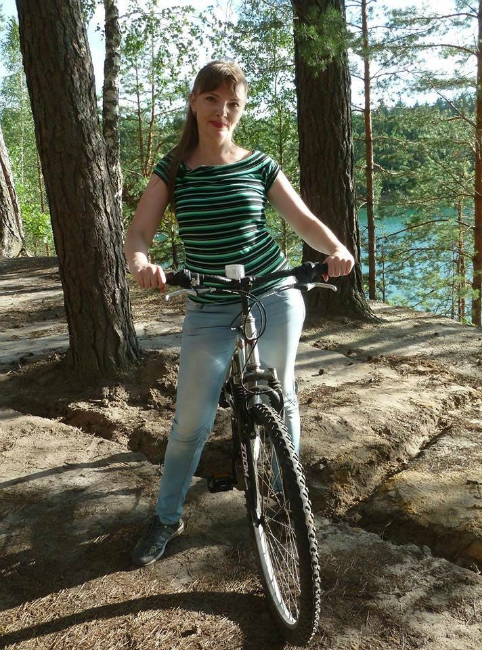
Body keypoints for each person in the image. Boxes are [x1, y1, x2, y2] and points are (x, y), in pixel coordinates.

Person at [124, 60, 354, 567]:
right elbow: (139, 232)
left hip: (273, 291)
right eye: (212, 99)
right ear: (194, 102)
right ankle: (166, 516)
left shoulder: (259, 165)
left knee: (281, 394)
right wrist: (142, 263)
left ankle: (284, 499)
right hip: (209, 302)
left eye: (233, 103)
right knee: (191, 420)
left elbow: (303, 221)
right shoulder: (174, 168)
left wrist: (335, 248)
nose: (221, 111)